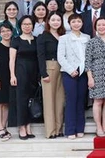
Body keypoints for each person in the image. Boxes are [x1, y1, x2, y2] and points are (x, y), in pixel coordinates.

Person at [57, 14, 90, 139]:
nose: (76, 24)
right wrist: (70, 70)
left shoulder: (86, 37)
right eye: (74, 21)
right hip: (69, 73)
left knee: (81, 101)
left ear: (82, 23)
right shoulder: (64, 38)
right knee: (71, 100)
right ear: (69, 24)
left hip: (83, 72)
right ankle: (70, 130)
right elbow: (61, 57)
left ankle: (80, 128)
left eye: (79, 21)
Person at [37, 11, 66, 139]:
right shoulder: (43, 36)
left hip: (63, 68)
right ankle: (51, 131)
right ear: (48, 21)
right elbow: (40, 56)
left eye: (58, 20)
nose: (55, 22)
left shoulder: (63, 35)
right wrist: (44, 73)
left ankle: (59, 129)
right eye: (53, 20)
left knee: (60, 100)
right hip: (50, 68)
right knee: (49, 100)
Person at [9, 15, 38, 140]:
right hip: (20, 72)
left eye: (29, 24)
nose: (27, 26)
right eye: (24, 24)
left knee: (31, 100)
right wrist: (12, 75)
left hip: (34, 73)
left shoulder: (37, 39)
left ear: (33, 25)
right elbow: (12, 59)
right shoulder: (16, 40)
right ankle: (22, 128)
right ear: (20, 26)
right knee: (21, 100)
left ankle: (28, 126)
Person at [85, 16, 105, 137]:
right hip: (96, 75)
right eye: (99, 25)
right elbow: (87, 61)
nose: (101, 27)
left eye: (103, 25)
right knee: (97, 101)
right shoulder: (91, 42)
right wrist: (90, 77)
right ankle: (98, 127)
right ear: (95, 27)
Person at [0, 22, 14, 141]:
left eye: (8, 30)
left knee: (7, 103)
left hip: (10, 78)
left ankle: (4, 127)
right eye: (3, 31)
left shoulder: (14, 46)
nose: (6, 33)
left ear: (12, 31)